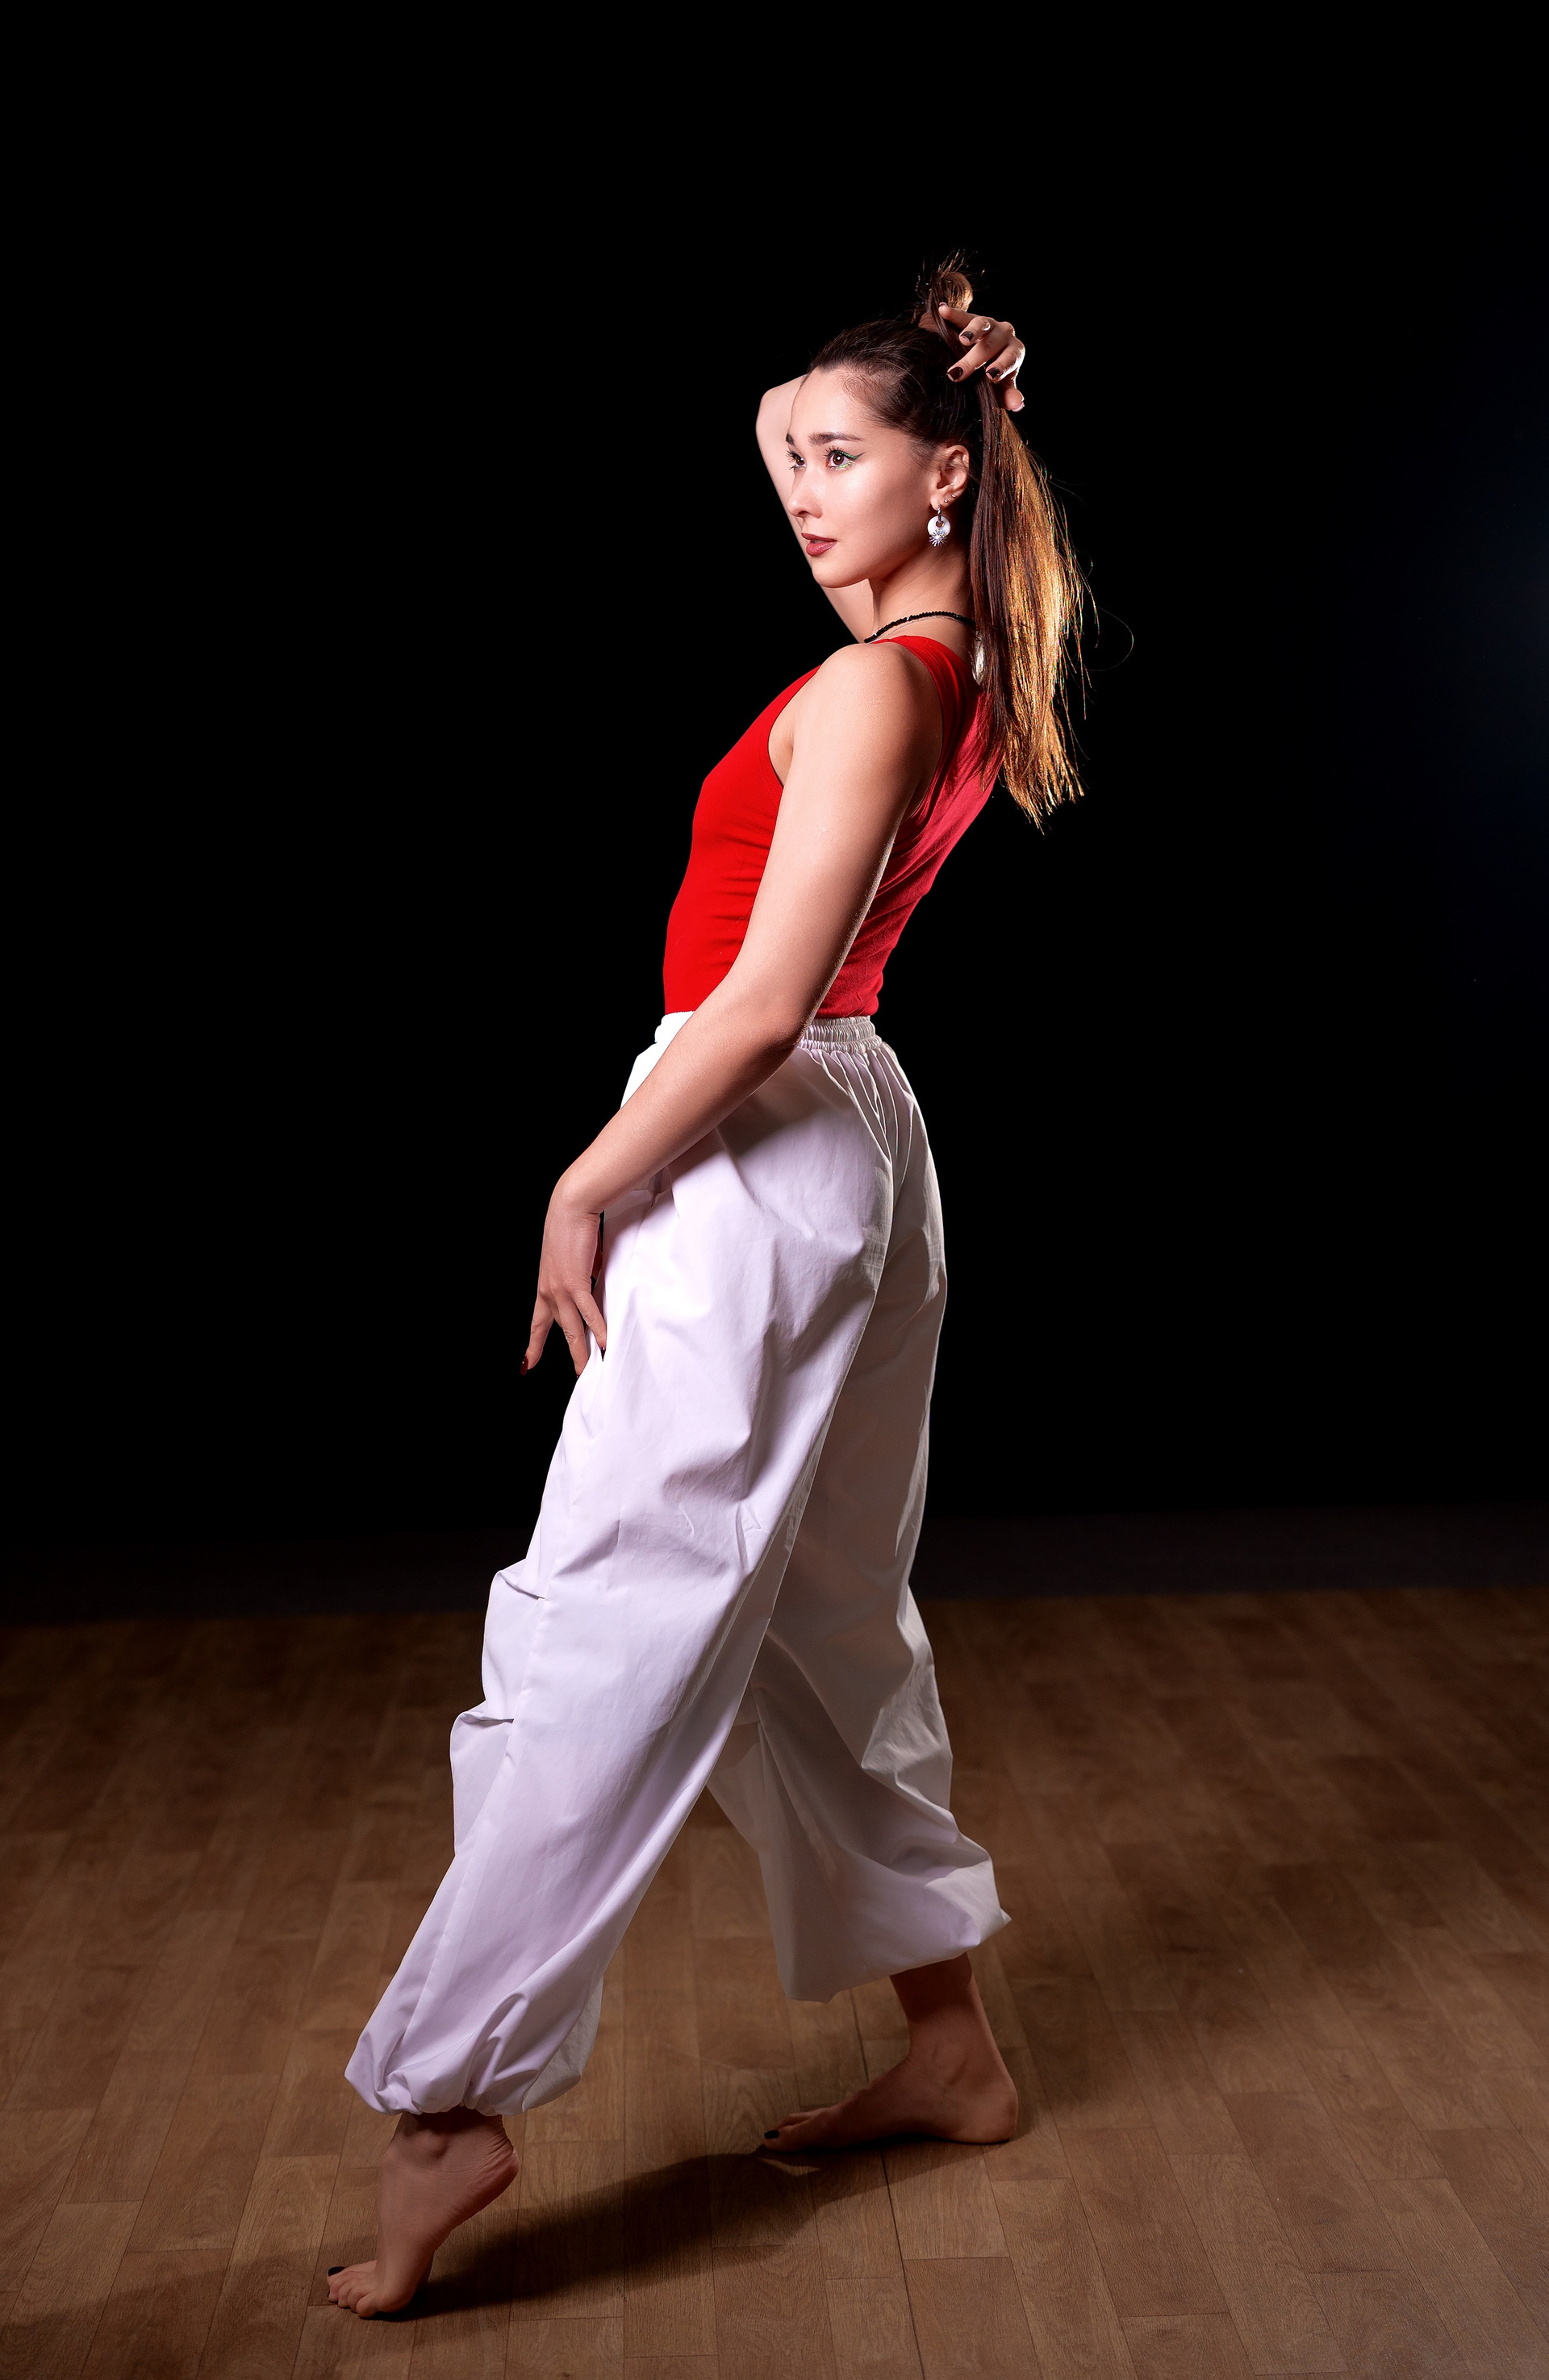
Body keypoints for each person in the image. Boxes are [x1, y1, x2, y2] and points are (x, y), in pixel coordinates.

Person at [328, 261, 1084, 2319]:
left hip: (756, 1135)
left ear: (946, 474)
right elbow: (804, 424)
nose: (802, 490)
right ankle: (952, 2045)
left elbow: (756, 1003)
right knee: (822, 1623)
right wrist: (930, 383)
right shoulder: (951, 656)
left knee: (609, 1611)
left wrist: (588, 1178)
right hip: (856, 1139)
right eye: (788, 461)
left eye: (841, 457)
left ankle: (449, 2096)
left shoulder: (876, 686)